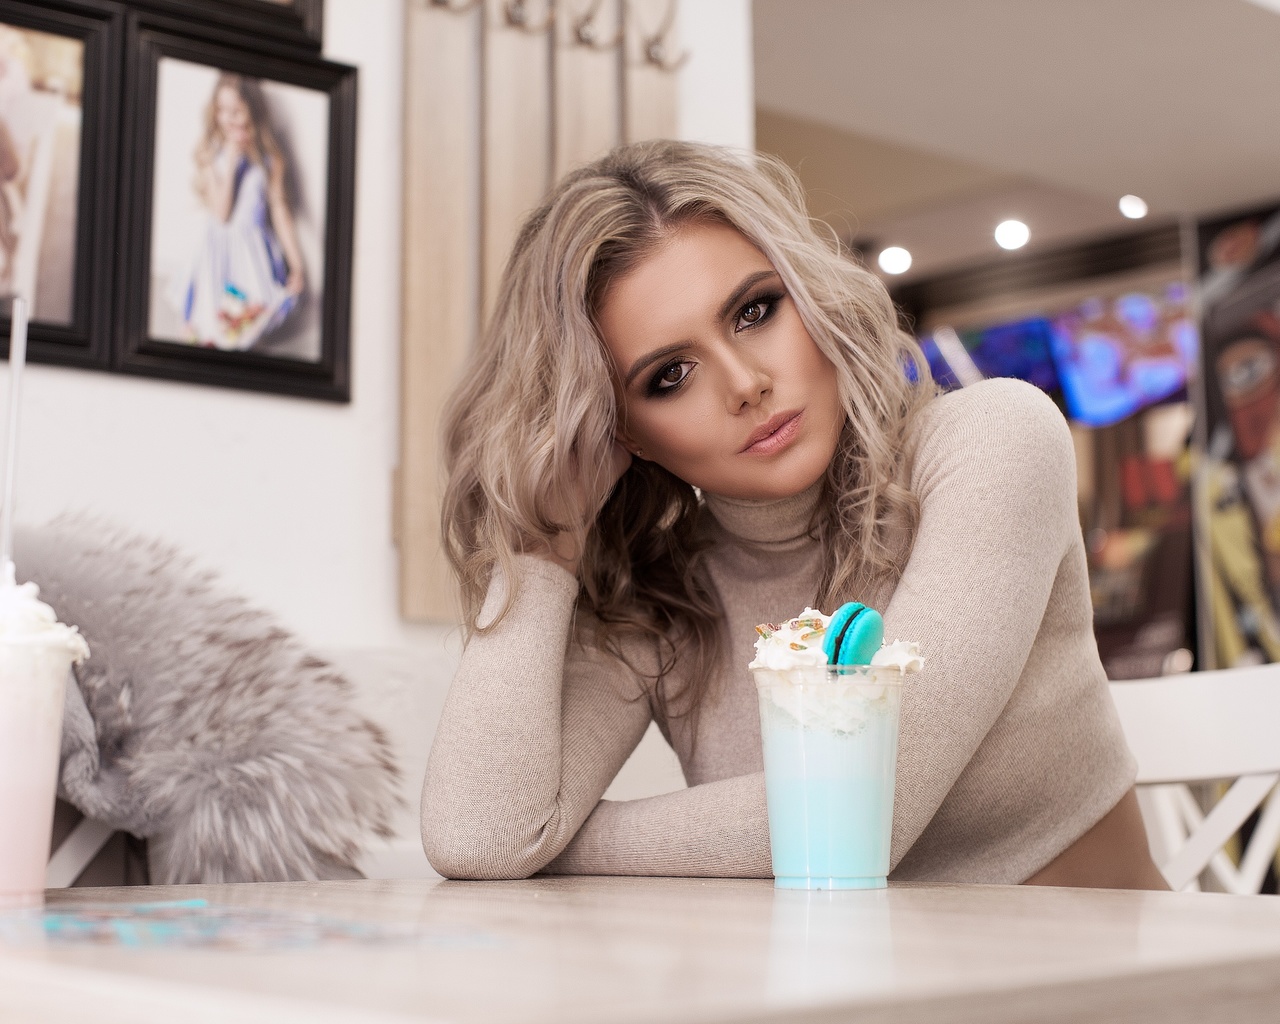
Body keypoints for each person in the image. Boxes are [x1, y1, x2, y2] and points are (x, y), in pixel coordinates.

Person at [421, 139, 1168, 889]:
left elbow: (864, 818)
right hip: (850, 1003)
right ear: (620, 435)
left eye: (755, 311)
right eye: (669, 375)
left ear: (808, 292)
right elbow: (477, 836)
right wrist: (543, 546)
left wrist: (555, 842)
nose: (746, 383)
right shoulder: (662, 595)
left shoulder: (992, 441)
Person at [177, 73, 305, 351]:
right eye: (221, 110)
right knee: (213, 328)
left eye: (236, 111)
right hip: (219, 254)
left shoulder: (271, 158)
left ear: (253, 110)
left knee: (247, 325)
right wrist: (233, 159)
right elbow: (222, 214)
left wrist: (296, 263)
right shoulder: (210, 153)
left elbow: (279, 210)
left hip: (252, 254)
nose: (227, 119)